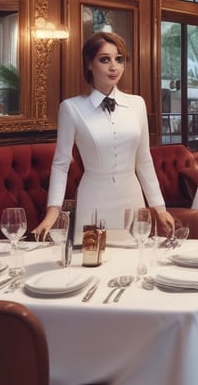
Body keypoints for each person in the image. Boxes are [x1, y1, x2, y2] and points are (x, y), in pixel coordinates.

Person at [33, 31, 174, 242]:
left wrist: (159, 207)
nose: (114, 67)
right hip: (94, 198)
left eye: (119, 59)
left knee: (133, 264)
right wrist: (53, 211)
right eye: (105, 59)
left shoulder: (137, 104)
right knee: (93, 261)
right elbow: (61, 164)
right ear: (89, 64)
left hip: (132, 198)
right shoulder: (71, 108)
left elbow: (144, 160)